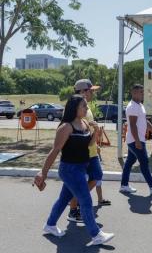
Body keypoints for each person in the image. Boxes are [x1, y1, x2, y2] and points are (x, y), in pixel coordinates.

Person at [34, 95, 114, 245]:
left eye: (86, 106)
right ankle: (96, 235)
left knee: (63, 199)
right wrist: (43, 172)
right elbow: (55, 150)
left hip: (80, 168)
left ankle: (50, 225)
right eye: (83, 106)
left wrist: (96, 132)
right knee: (85, 200)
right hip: (69, 170)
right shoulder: (66, 127)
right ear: (74, 108)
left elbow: (88, 145)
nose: (86, 108)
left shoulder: (84, 123)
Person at [67, 79, 111, 224]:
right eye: (91, 90)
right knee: (78, 183)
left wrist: (96, 144)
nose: (93, 93)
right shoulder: (76, 109)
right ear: (82, 92)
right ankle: (73, 210)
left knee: (97, 175)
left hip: (91, 149)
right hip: (82, 152)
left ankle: (78, 201)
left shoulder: (87, 107)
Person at [120, 84, 152, 195]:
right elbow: (132, 125)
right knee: (144, 162)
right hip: (136, 140)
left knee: (130, 162)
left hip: (136, 139)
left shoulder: (140, 105)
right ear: (134, 93)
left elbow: (145, 121)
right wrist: (137, 141)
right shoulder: (132, 107)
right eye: (140, 92)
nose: (142, 94)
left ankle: (124, 185)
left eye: (143, 92)